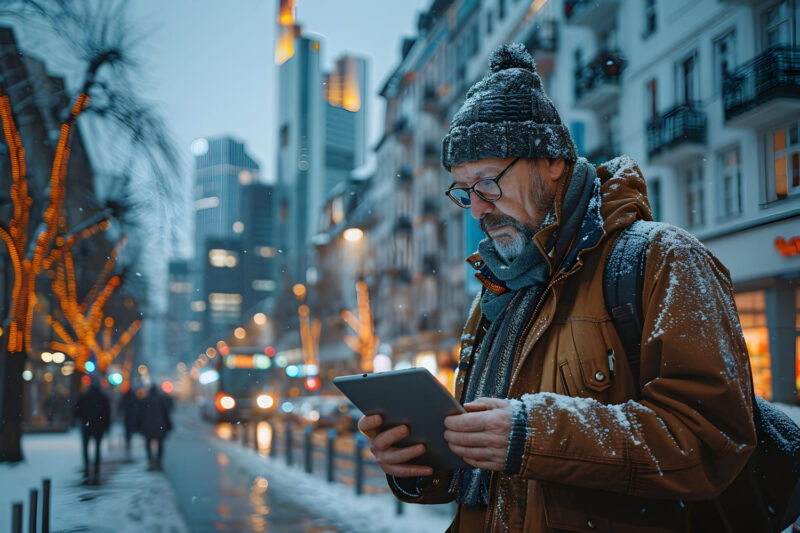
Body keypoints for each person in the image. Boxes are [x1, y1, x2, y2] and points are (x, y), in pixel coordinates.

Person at [358, 43, 757, 532]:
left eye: (487, 181)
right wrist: (416, 461)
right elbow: (480, 474)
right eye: (464, 191)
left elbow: (710, 443)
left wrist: (533, 435)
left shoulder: (662, 258)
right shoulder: (498, 290)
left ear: (551, 160)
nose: (478, 208)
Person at [75, 379, 111, 485]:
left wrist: (83, 418)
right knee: (97, 448)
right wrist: (106, 425)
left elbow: (76, 411)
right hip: (98, 427)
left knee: (85, 448)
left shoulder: (83, 397)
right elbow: (107, 414)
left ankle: (87, 468)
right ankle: (96, 469)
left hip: (86, 426)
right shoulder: (103, 398)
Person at [140, 384, 173, 470]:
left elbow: (140, 414)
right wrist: (168, 425)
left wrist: (140, 426)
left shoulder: (145, 400)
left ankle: (150, 461)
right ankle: (159, 462)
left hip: (148, 426)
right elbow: (166, 414)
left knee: (148, 444)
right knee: (160, 444)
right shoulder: (161, 400)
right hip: (159, 425)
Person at [118, 384, 143, 456]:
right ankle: (129, 440)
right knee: (130, 429)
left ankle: (128, 441)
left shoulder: (125, 396)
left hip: (127, 416)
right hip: (132, 416)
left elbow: (121, 405)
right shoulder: (133, 397)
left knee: (127, 430)